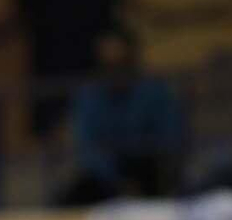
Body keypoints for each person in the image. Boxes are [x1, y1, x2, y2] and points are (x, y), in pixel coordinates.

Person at [58, 24, 186, 206]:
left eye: (121, 63)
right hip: (106, 178)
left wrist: (140, 177)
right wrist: (117, 182)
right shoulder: (89, 96)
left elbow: (171, 138)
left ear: (132, 60)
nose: (115, 71)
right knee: (73, 195)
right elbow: (87, 147)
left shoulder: (155, 92)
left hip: (149, 170)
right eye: (108, 65)